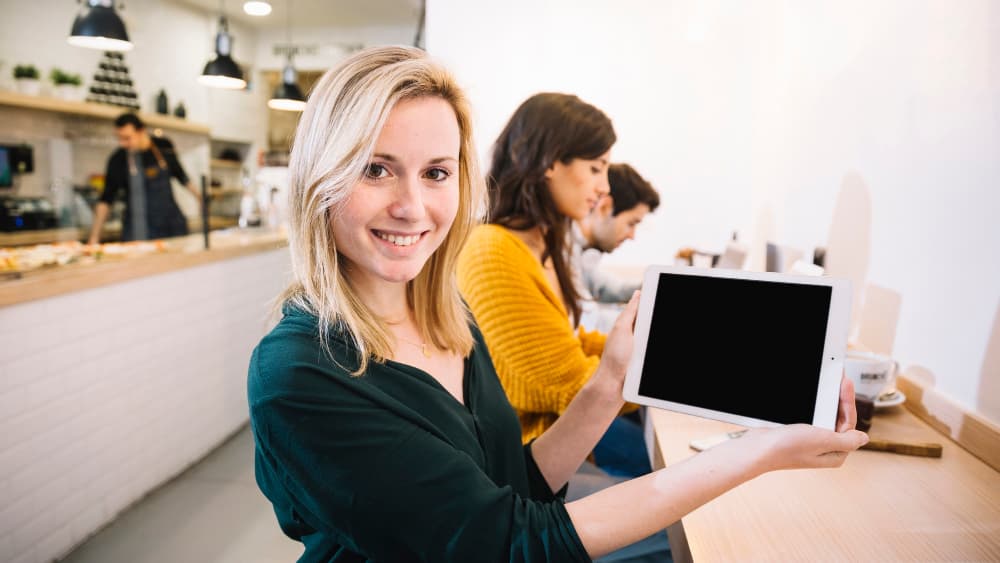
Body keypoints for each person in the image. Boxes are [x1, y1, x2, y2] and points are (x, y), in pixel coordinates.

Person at [248, 45, 867, 563]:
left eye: (436, 172)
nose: (413, 206)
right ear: (320, 178)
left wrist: (612, 379)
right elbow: (506, 540)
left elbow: (518, 487)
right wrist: (755, 452)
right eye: (376, 170)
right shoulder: (299, 372)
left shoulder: (449, 319)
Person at [458, 94, 658, 480]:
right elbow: (573, 387)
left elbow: (569, 342)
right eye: (597, 168)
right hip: (521, 470)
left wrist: (651, 350)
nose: (604, 187)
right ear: (550, 161)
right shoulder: (492, 251)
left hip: (553, 453)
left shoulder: (539, 245)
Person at [87, 113, 199, 244]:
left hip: (171, 225)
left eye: (127, 138)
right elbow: (106, 199)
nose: (122, 144)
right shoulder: (118, 159)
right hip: (137, 230)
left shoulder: (163, 146)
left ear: (141, 131)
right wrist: (94, 237)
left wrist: (200, 197)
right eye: (119, 138)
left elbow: (182, 177)